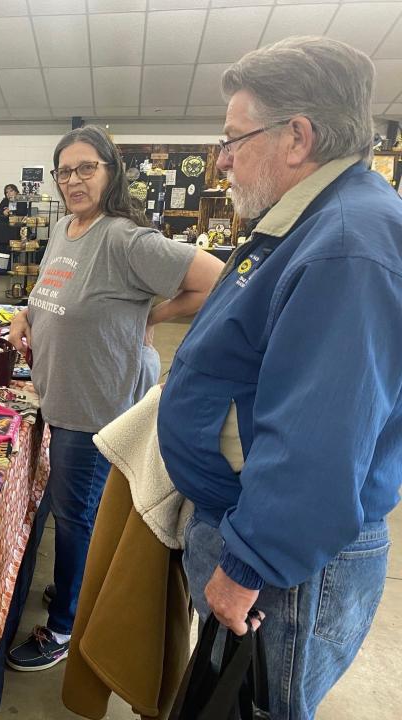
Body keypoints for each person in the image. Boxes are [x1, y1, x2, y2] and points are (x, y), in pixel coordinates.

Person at [157, 36, 402, 718]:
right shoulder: (303, 223)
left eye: (236, 138)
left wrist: (247, 567)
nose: (222, 158)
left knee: (256, 704)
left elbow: (320, 440)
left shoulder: (348, 245)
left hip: (279, 565)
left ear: (297, 137)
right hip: (250, 530)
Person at [4, 126, 223, 671]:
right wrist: (24, 313)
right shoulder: (64, 229)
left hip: (95, 406)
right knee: (74, 508)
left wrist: (154, 314)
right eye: (64, 171)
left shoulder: (127, 240)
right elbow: (53, 295)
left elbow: (217, 280)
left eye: (86, 168)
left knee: (75, 515)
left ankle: (64, 625)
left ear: (110, 171)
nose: (73, 180)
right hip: (60, 394)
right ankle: (75, 588)